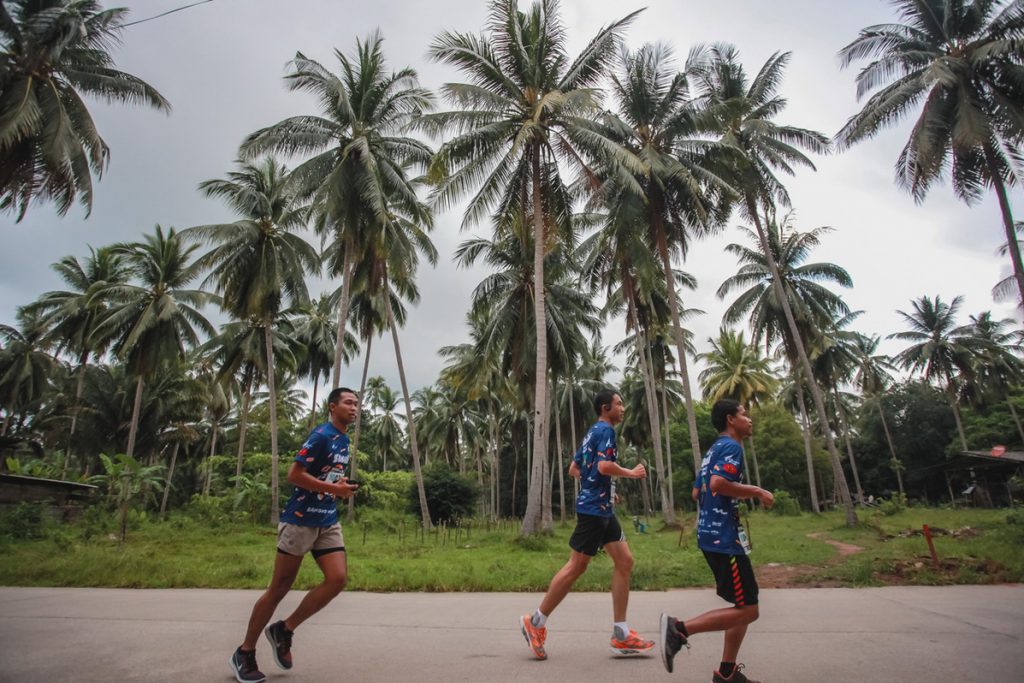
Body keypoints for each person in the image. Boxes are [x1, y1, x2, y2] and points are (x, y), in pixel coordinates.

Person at [229, 387, 361, 683]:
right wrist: (334, 489)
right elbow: (294, 475)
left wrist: (339, 486)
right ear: (332, 407)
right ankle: (245, 651)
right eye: (349, 403)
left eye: (357, 404)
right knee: (279, 588)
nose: (354, 408)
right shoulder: (321, 436)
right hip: (300, 520)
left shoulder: (343, 439)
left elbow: (324, 475)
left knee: (337, 579)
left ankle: (284, 629)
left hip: (327, 519)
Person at [520, 389, 654, 660]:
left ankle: (621, 633)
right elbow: (604, 466)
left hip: (603, 508)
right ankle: (534, 623)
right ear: (606, 408)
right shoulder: (606, 432)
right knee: (575, 567)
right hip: (593, 511)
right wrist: (629, 473)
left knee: (625, 561)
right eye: (618, 403)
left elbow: (575, 468)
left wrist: (602, 487)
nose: (623, 407)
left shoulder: (592, 432)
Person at [659, 399, 774, 683]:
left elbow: (697, 492)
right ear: (730, 419)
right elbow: (717, 485)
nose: (749, 420)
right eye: (744, 415)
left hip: (711, 535)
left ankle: (727, 673)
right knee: (749, 609)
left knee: (741, 607)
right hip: (724, 539)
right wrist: (757, 491)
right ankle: (680, 629)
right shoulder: (732, 448)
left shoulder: (713, 451)